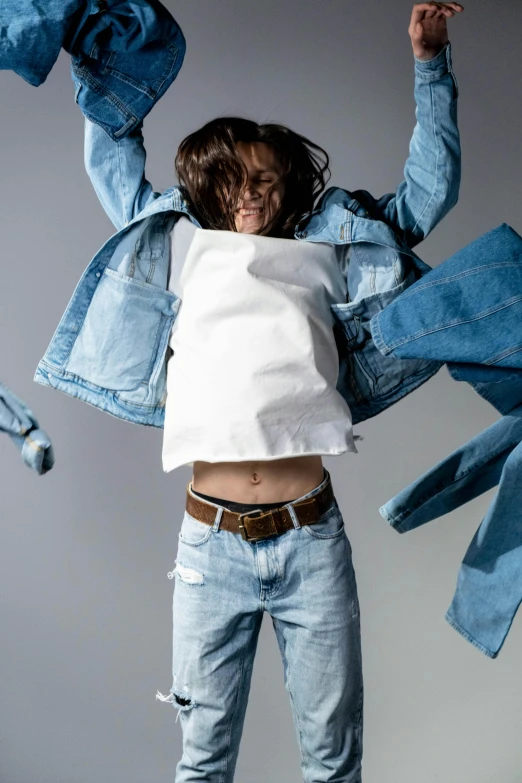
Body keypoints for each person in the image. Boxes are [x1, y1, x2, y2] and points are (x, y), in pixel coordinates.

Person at [78, 3, 463, 780]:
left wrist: (431, 64)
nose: (248, 193)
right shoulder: (180, 243)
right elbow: (111, 160)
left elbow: (427, 196)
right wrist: (99, 57)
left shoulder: (327, 244)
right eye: (230, 177)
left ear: (287, 184)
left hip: (310, 539)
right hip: (207, 545)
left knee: (332, 764)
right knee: (203, 764)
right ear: (205, 182)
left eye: (264, 178)